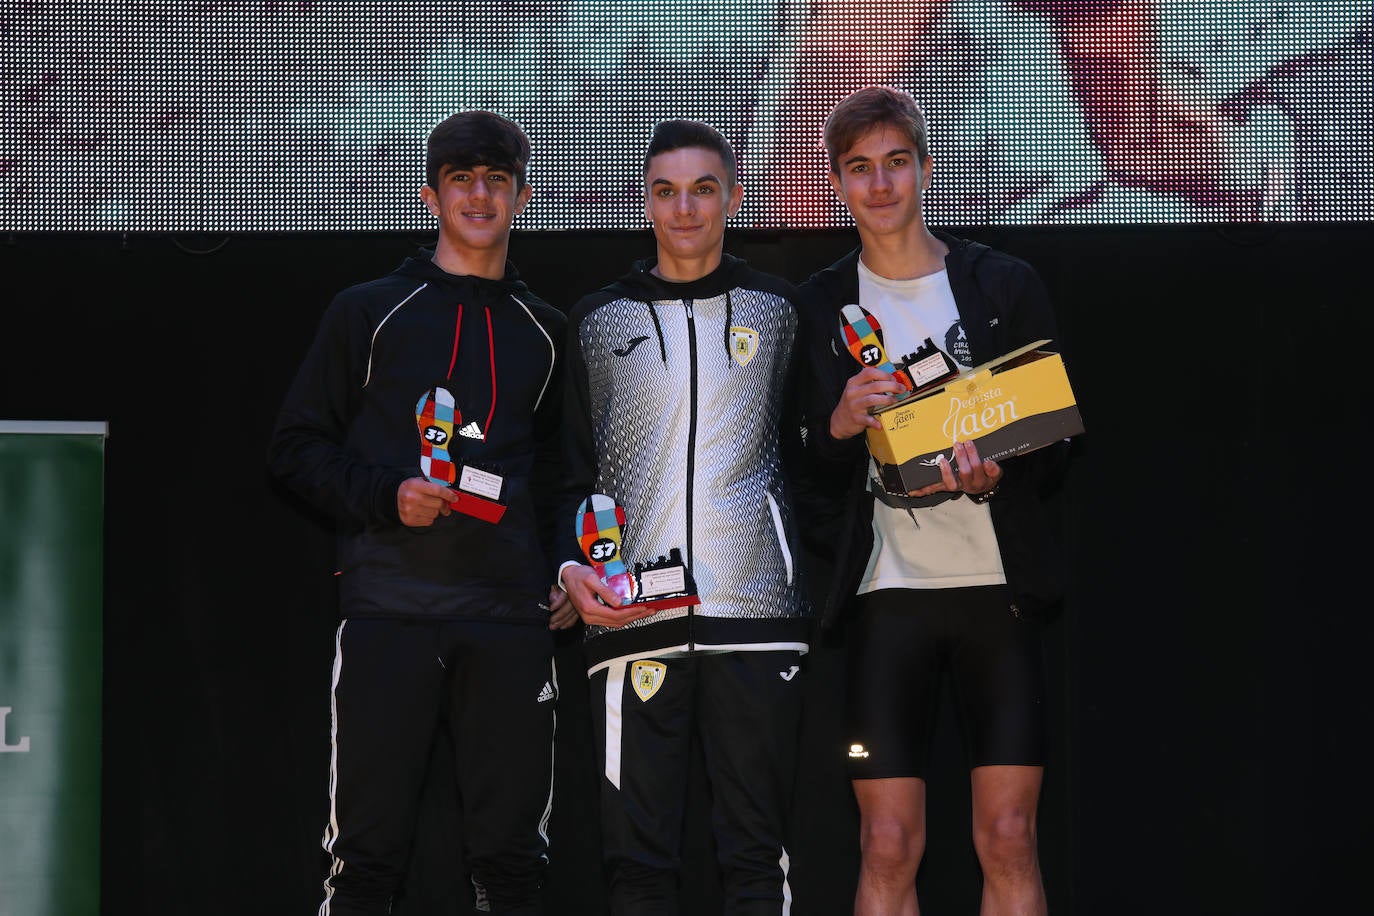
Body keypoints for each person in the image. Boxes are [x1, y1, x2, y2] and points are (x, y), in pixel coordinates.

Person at [267, 109, 576, 916]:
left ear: (523, 194)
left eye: (497, 180)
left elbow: (560, 476)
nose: (480, 195)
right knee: (366, 860)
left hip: (510, 622)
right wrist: (385, 495)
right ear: (429, 195)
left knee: (513, 863)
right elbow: (294, 446)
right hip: (389, 614)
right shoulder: (369, 310)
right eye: (462, 179)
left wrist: (562, 568)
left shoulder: (547, 330)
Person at [794, 86, 1069, 914]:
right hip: (889, 597)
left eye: (896, 164)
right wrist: (837, 426)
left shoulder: (1001, 284)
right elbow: (800, 465)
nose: (880, 186)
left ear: (925, 166)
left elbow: (1054, 442)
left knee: (1011, 835)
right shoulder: (820, 303)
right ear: (838, 183)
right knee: (886, 843)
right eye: (859, 169)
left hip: (998, 589)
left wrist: (1002, 470)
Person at [556, 118, 813, 914]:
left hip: (757, 615)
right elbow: (570, 473)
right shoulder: (598, 319)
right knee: (636, 863)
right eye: (666, 191)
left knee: (752, 855)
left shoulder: (780, 310)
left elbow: (818, 459)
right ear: (645, 203)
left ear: (734, 196)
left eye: (704, 189)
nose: (686, 209)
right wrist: (569, 568)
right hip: (634, 622)